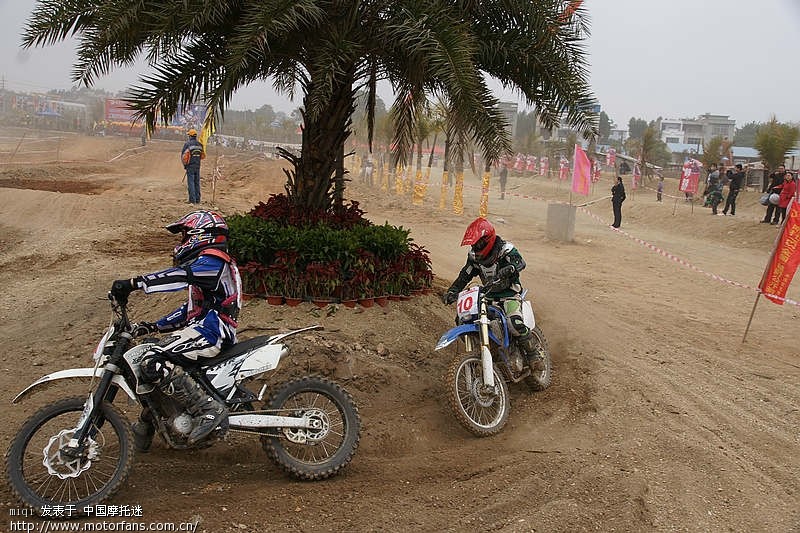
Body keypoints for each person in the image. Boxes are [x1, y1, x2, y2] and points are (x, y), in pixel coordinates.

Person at [109, 210, 241, 452]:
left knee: (151, 362)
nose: (181, 242)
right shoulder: (207, 265)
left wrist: (135, 283)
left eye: (184, 235)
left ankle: (209, 409)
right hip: (201, 329)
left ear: (201, 234)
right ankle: (150, 423)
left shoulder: (214, 261)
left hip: (213, 333)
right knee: (144, 354)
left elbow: (180, 276)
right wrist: (153, 325)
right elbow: (189, 311)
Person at [442, 218, 540, 372]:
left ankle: (533, 354)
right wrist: (453, 290)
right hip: (487, 296)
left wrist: (511, 269)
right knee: (464, 318)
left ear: (488, 239)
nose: (476, 247)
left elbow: (520, 263)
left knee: (514, 323)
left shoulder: (505, 250)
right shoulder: (474, 257)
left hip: (509, 295)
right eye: (474, 245)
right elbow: (464, 276)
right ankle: (484, 351)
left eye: (478, 244)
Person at [181, 129, 206, 204]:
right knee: (197, 182)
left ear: (190, 136)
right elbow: (203, 156)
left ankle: (192, 200)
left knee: (191, 183)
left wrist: (185, 165)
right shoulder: (200, 145)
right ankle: (198, 200)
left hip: (190, 166)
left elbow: (184, 156)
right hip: (197, 166)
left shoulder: (187, 144)